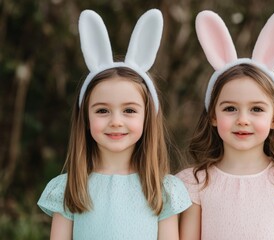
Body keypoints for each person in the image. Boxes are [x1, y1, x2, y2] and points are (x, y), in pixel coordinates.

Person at [38, 9, 191, 240]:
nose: (116, 121)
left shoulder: (164, 190)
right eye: (102, 111)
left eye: (129, 110)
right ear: (86, 119)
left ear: (147, 117)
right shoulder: (69, 188)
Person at [176, 8, 274, 240]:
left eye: (256, 109)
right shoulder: (196, 184)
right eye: (230, 108)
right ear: (213, 116)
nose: (243, 119)